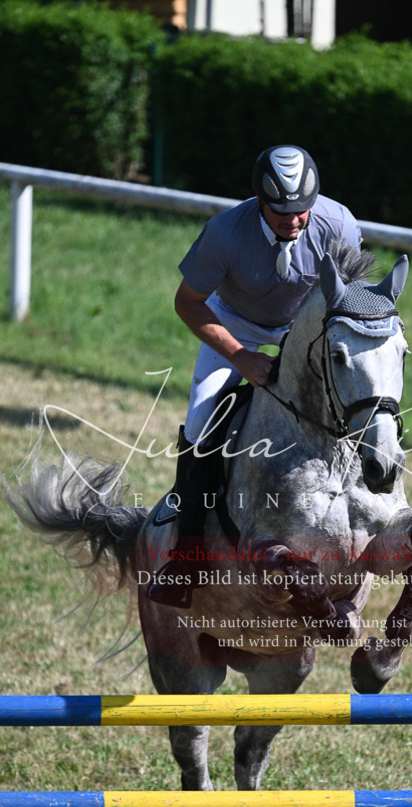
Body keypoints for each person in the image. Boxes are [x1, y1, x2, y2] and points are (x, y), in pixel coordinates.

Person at [148, 144, 363, 607]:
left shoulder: (339, 223)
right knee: (202, 420)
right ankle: (186, 554)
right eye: (281, 212)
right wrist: (241, 356)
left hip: (302, 328)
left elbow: (347, 298)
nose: (294, 221)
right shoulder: (225, 232)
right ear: (258, 200)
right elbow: (187, 303)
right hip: (235, 323)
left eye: (302, 211)